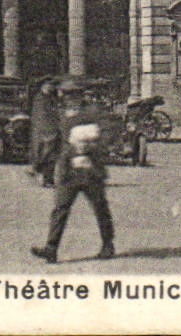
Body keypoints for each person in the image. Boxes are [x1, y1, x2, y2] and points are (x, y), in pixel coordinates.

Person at [31, 82, 114, 264]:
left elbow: (108, 133)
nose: (70, 99)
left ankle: (108, 244)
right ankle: (51, 248)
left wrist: (93, 148)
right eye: (66, 96)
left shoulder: (92, 112)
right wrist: (41, 163)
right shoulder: (60, 115)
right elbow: (53, 140)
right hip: (69, 170)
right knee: (60, 208)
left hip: (91, 169)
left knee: (100, 207)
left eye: (73, 95)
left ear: (80, 96)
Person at [28, 77, 61, 187]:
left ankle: (48, 179)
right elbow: (41, 116)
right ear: (43, 86)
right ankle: (41, 175)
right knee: (43, 154)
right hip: (44, 131)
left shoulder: (52, 98)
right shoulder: (39, 99)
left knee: (52, 156)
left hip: (53, 130)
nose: (51, 87)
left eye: (52, 85)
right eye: (49, 85)